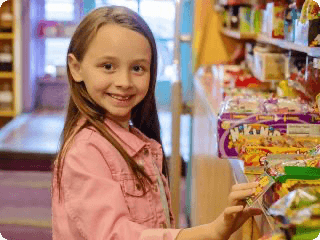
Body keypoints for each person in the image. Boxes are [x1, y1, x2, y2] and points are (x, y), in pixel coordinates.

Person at [51, 6, 262, 240]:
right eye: (108, 66)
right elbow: (115, 234)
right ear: (76, 68)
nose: (124, 81)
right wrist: (210, 231)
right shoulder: (85, 152)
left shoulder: (134, 140)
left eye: (138, 68)